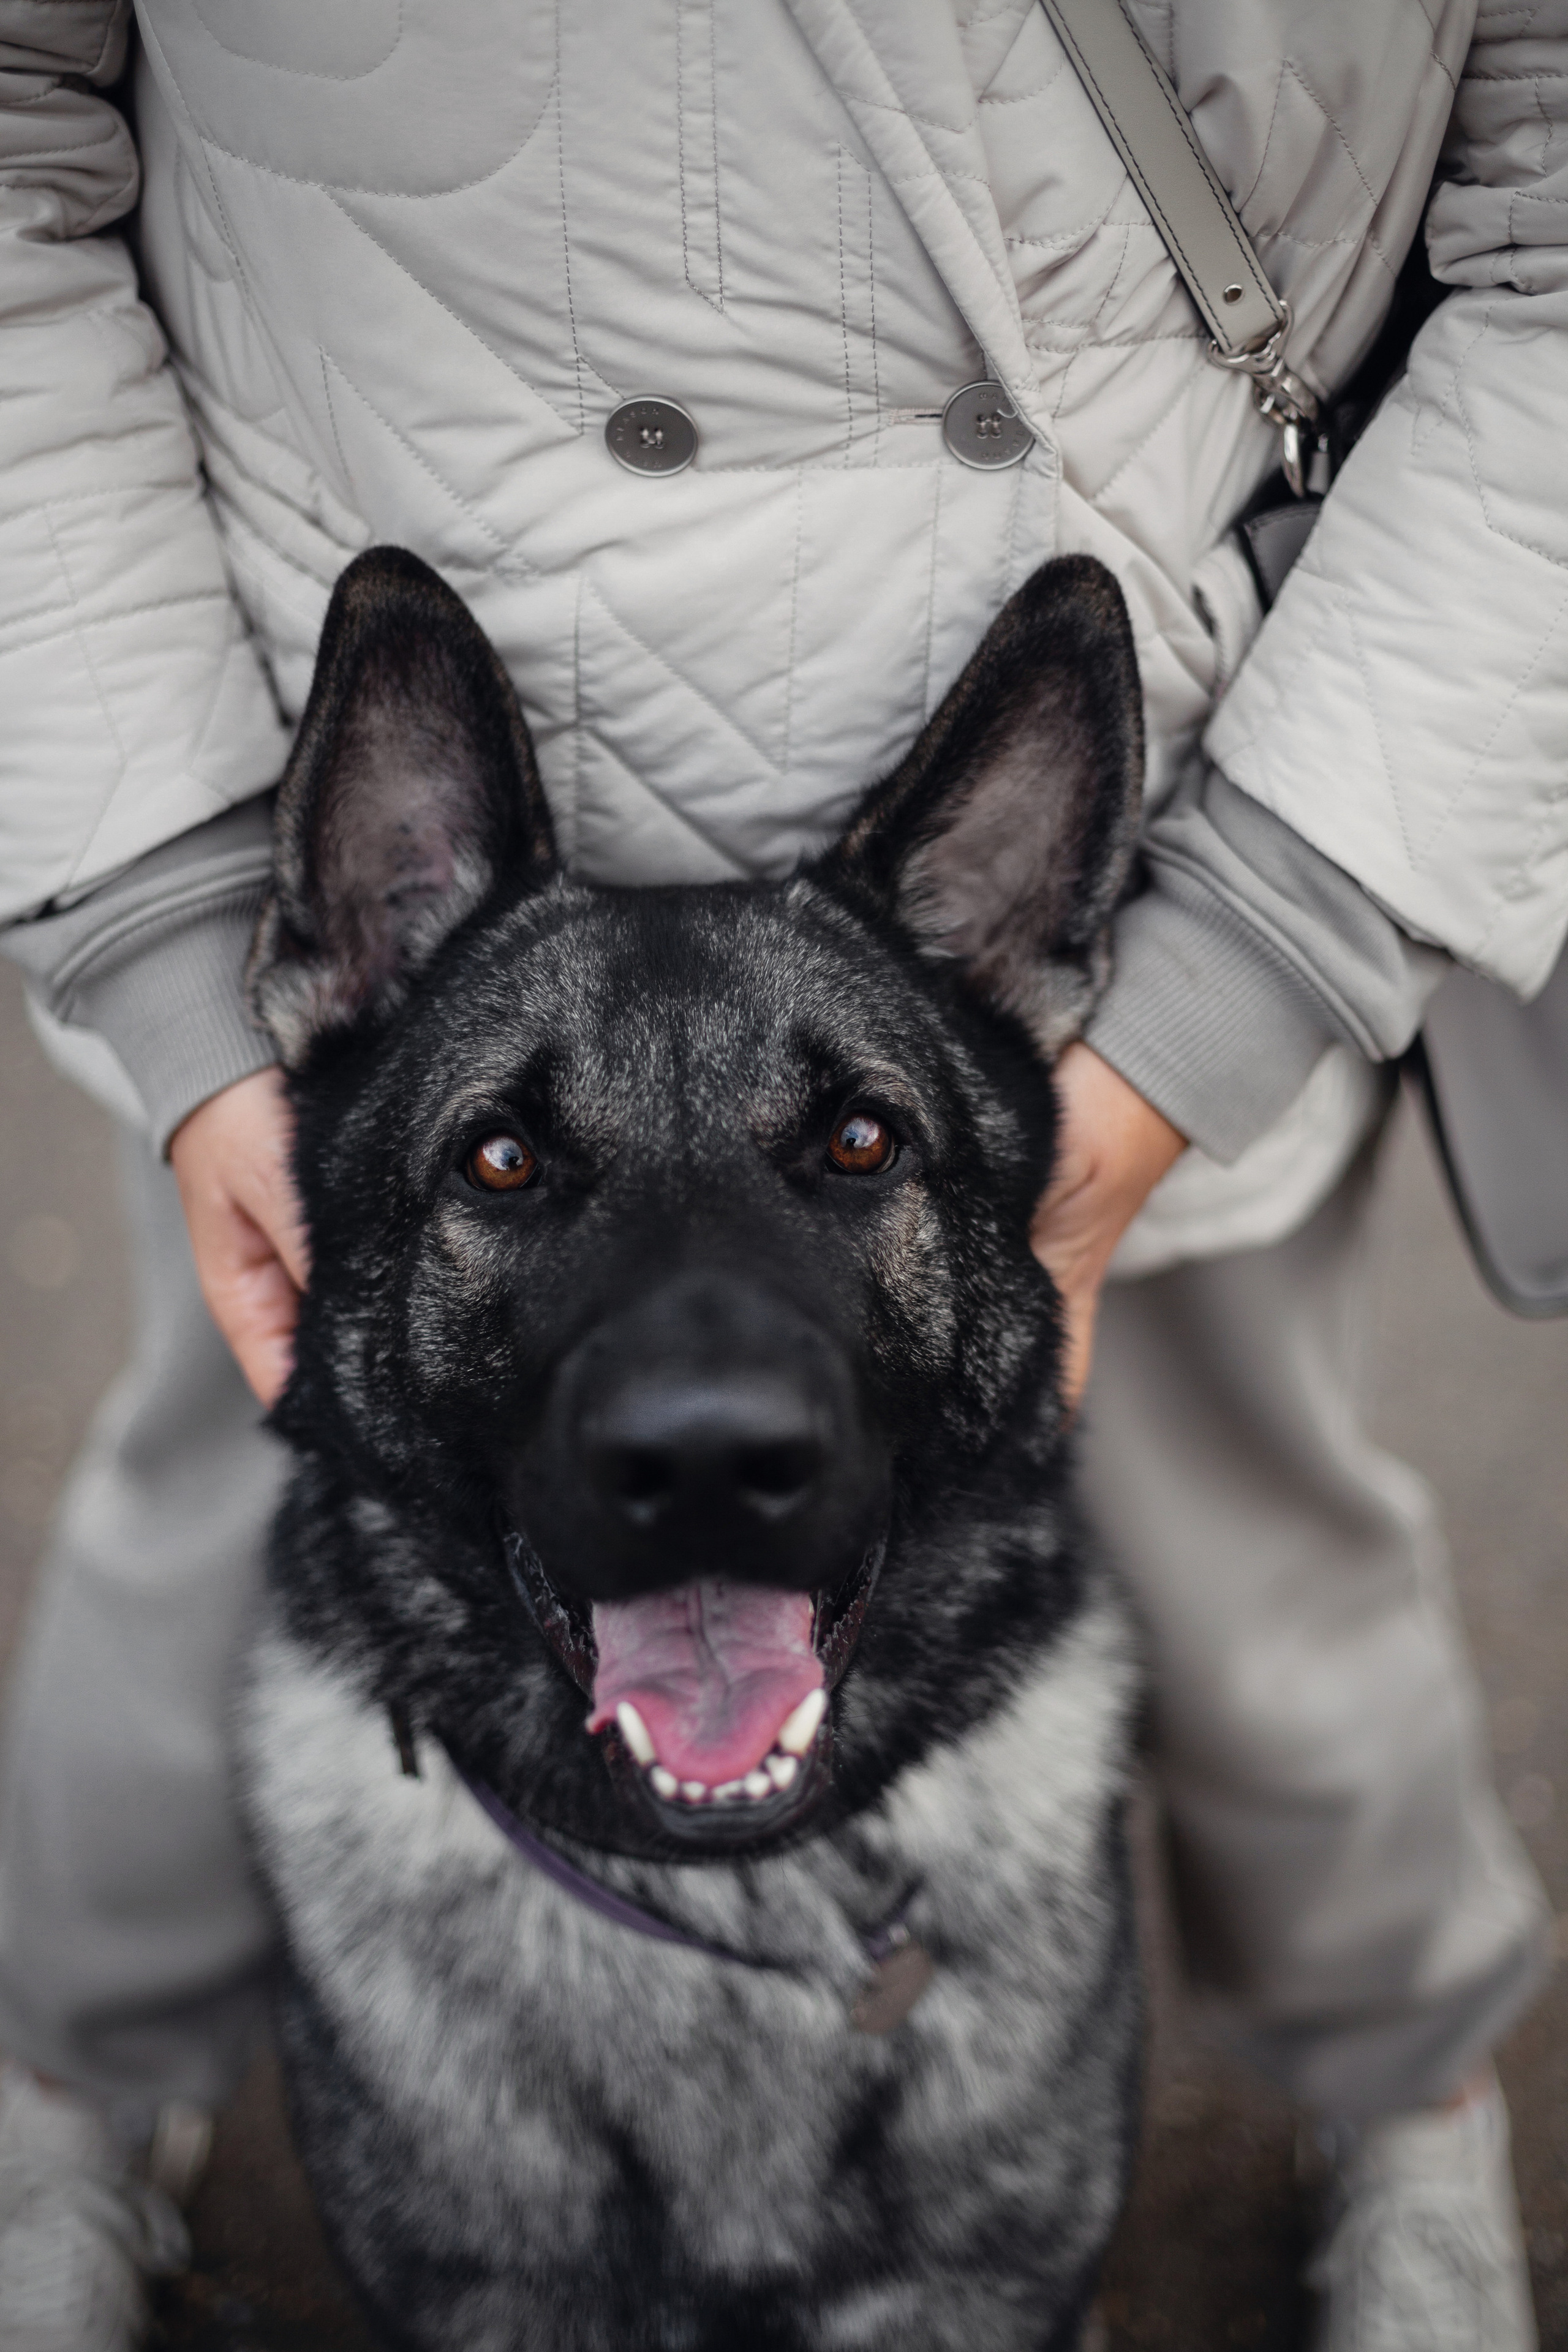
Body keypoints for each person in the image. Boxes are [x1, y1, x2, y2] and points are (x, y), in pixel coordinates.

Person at [0, 4, 1559, 2346]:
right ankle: (65, 2087)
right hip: (339, 875)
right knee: (192, 1553)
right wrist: (177, 933)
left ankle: (1416, 2100)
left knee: (1275, 1587)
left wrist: (1231, 975)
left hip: (1127, 916)